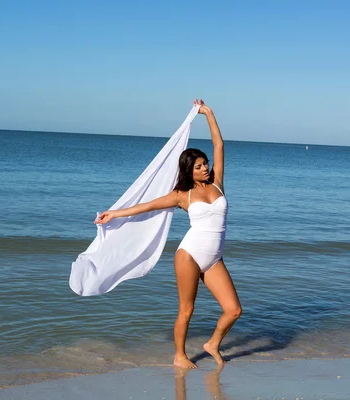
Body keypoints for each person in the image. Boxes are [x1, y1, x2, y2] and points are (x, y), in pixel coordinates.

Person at [95, 99, 242, 368]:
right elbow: (147, 205)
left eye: (205, 164)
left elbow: (219, 145)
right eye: (198, 166)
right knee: (187, 310)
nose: (205, 168)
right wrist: (114, 214)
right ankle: (180, 356)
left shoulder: (217, 183)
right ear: (189, 170)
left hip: (214, 259)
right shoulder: (181, 195)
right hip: (190, 255)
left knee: (234, 310)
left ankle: (211, 344)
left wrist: (208, 113)